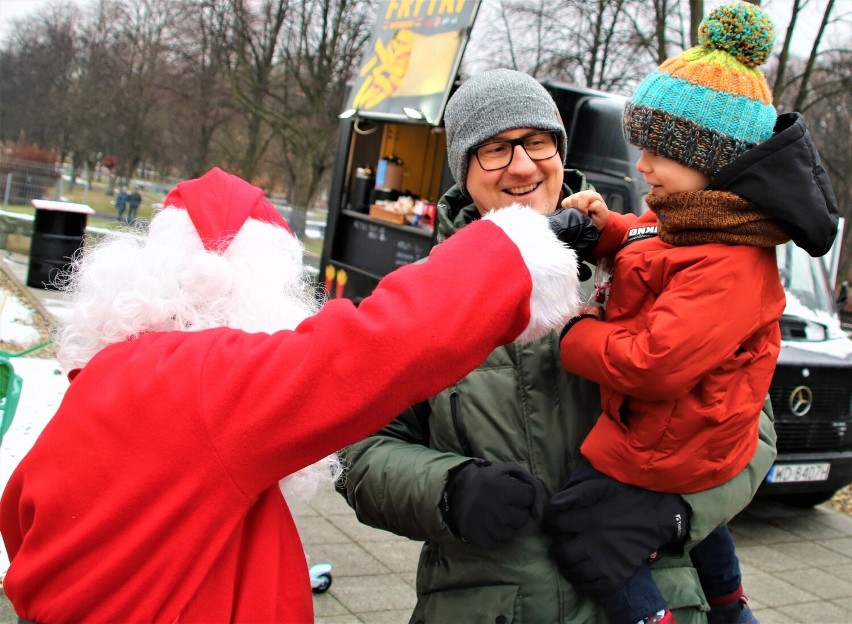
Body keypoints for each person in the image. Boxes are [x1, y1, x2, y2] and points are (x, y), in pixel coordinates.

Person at [0, 166, 590, 622]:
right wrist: (515, 253)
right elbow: (371, 347)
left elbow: (21, 517)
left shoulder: (112, 379)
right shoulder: (206, 381)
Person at [337, 68, 779, 623]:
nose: (522, 166)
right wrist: (446, 491)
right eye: (495, 149)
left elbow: (750, 425)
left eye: (537, 142)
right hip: (492, 606)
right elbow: (358, 451)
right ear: (464, 170)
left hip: (657, 594)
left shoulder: (643, 263)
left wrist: (676, 512)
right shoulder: (421, 292)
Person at [550, 4, 839, 624]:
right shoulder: (695, 220)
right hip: (690, 430)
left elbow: (654, 364)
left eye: (658, 151)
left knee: (584, 527)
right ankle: (733, 608)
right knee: (690, 524)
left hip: (673, 440)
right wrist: (605, 231)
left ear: (714, 164)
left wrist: (572, 334)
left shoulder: (732, 260)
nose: (641, 166)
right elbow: (647, 244)